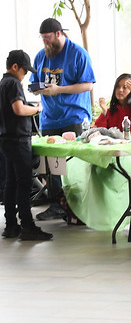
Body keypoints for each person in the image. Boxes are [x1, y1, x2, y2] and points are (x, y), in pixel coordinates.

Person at [29, 18, 96, 220]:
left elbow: (88, 85)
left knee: (76, 164)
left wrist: (59, 90)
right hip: (49, 119)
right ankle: (57, 205)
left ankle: (79, 207)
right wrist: (36, 89)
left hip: (74, 116)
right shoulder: (41, 56)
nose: (45, 43)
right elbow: (33, 83)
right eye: (42, 39)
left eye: (48, 38)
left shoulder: (78, 53)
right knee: (53, 166)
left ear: (59, 34)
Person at [0, 50, 52, 240]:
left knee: (10, 185)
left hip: (6, 139)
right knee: (24, 184)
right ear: (15, 67)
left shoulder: (3, 83)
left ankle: (11, 226)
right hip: (18, 140)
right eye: (24, 70)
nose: (26, 74)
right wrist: (36, 108)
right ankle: (28, 227)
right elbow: (19, 108)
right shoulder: (13, 83)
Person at [95, 73, 131, 140]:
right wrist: (104, 112)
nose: (120, 90)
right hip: (116, 148)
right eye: (117, 86)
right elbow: (98, 132)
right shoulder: (112, 111)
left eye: (125, 87)